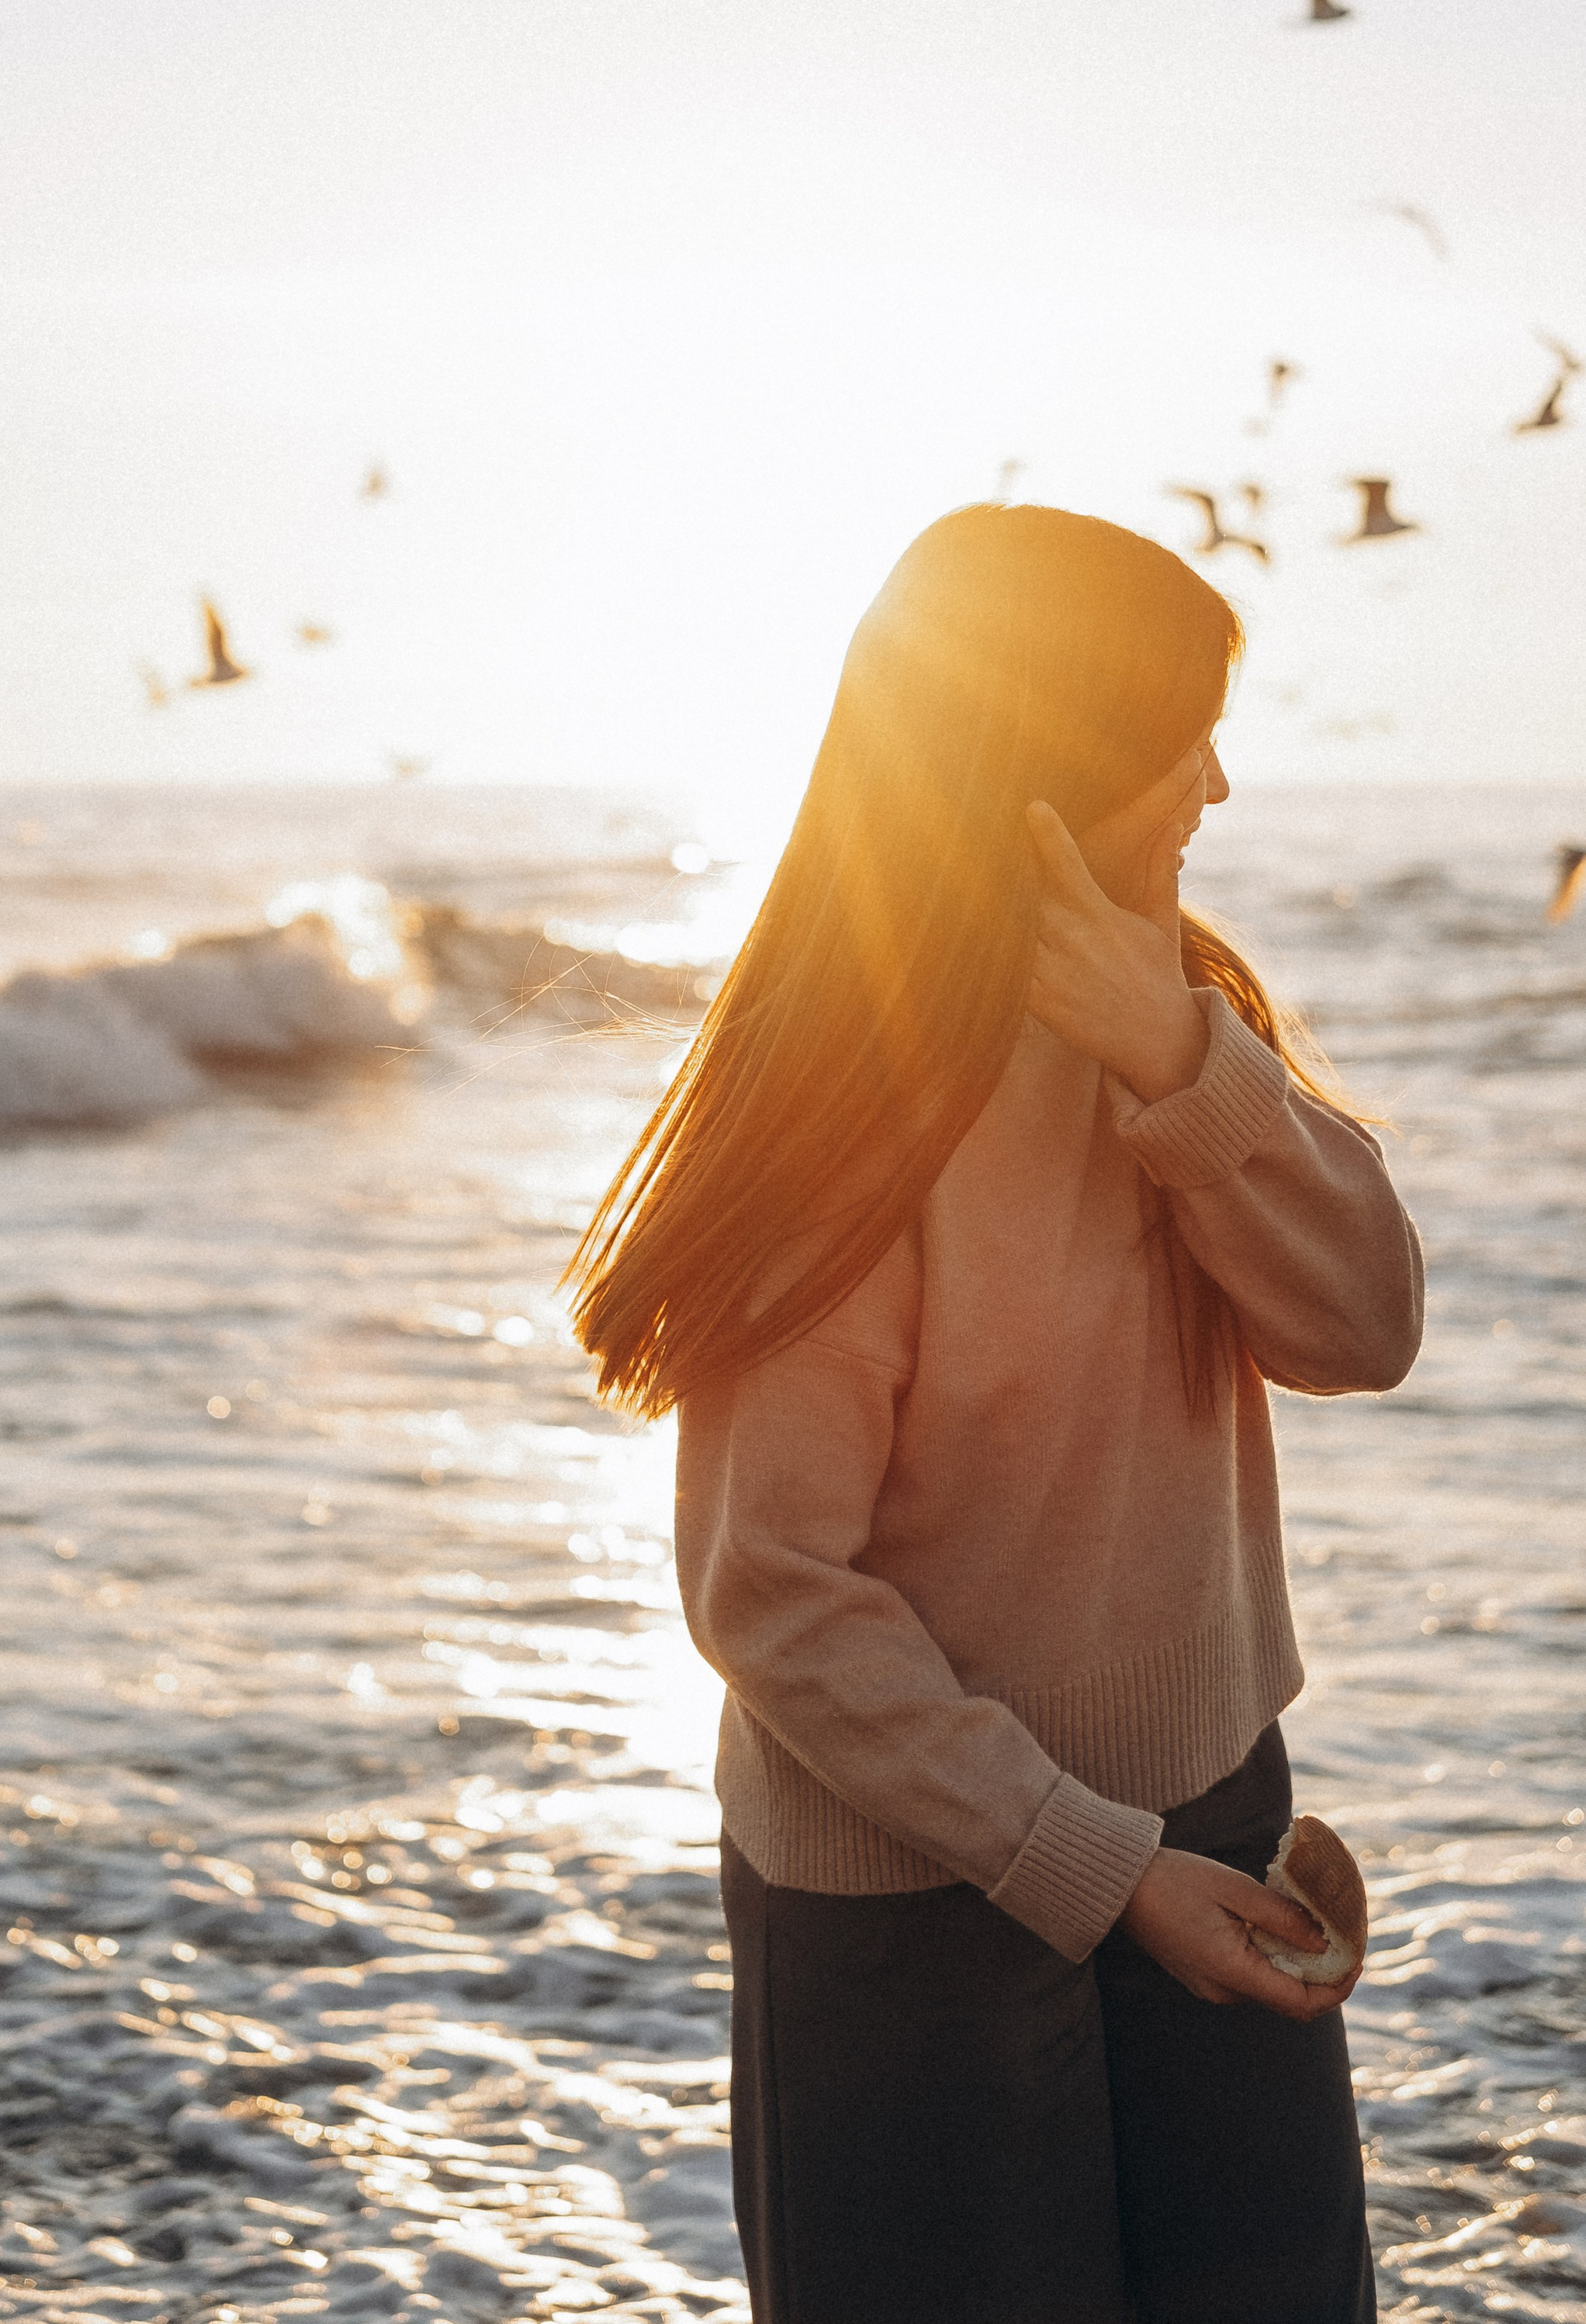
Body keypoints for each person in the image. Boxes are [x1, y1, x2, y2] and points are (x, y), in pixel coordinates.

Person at [565, 504, 1423, 2324]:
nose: (1212, 780)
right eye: (1172, 733)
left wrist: (1182, 1069)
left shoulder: (1181, 1014)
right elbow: (771, 1590)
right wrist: (1096, 1872)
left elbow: (1362, 1327)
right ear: (1047, 755)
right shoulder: (847, 1109)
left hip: (1211, 1814)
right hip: (909, 1906)